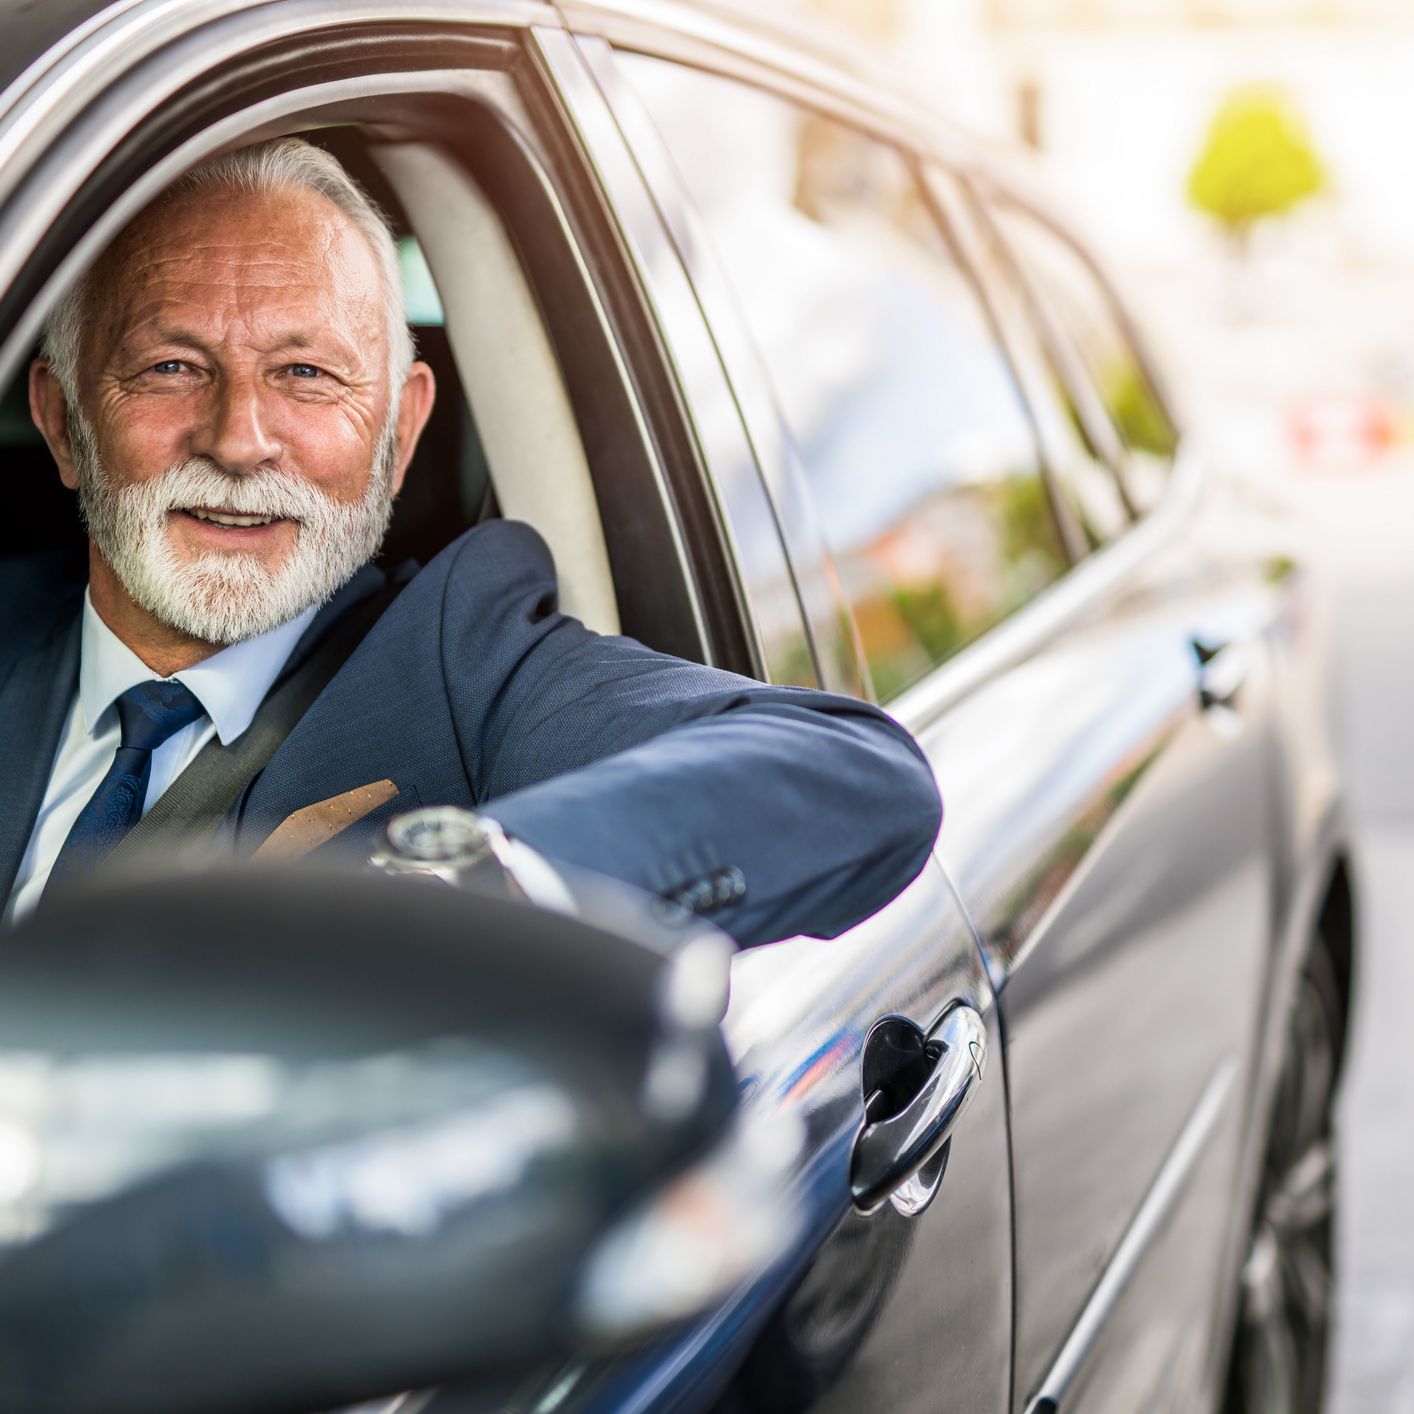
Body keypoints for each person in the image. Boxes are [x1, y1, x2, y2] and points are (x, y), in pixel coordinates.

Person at [0, 138, 941, 947]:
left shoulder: (463, 663)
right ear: (61, 420)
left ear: (401, 435)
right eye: (171, 367)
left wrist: (472, 889)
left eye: (307, 373)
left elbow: (856, 775)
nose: (240, 437)